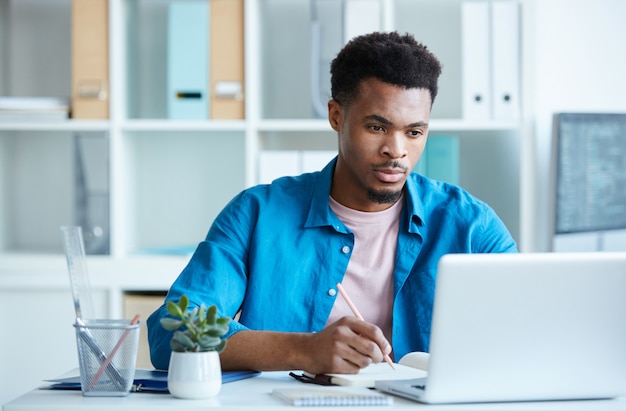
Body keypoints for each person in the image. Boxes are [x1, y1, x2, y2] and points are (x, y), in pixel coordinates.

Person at [147, 31, 517, 374]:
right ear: (336, 116)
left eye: (414, 132)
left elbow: (531, 324)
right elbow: (172, 333)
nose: (397, 151)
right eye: (377, 127)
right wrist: (305, 351)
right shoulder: (257, 213)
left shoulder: (471, 226)